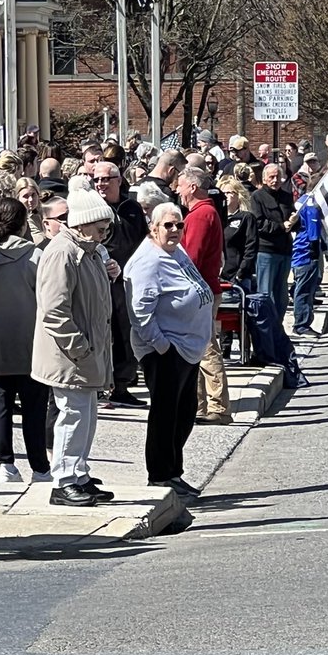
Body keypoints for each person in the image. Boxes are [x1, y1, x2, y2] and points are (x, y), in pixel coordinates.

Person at [33, 177, 116, 507]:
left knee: (86, 414)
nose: (103, 235)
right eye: (100, 228)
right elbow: (54, 310)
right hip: (70, 355)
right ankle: (64, 479)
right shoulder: (64, 253)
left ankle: (78, 472)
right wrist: (80, 347)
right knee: (72, 415)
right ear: (83, 224)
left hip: (86, 351)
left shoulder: (88, 251)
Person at [124, 202, 214, 497]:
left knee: (185, 412)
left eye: (179, 225)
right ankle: (161, 476)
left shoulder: (175, 251)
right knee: (165, 414)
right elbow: (139, 312)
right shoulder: (148, 261)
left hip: (187, 347)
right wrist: (162, 346)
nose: (175, 230)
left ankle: (174, 472)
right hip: (165, 350)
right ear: (153, 227)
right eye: (168, 225)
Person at [0, 198, 50, 483]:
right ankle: (40, 467)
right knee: (35, 409)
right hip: (31, 342)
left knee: (0, 405)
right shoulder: (35, 257)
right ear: (23, 224)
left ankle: (5, 464)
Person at [176, 166, 232, 426]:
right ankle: (199, 405)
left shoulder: (199, 216)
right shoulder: (206, 213)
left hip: (201, 290)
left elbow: (192, 257)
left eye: (180, 185)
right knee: (198, 347)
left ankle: (219, 407)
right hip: (205, 288)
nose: (177, 190)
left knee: (207, 347)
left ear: (192, 187)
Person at [91, 160, 149, 409]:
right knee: (103, 334)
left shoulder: (131, 207)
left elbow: (144, 238)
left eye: (106, 179)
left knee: (126, 332)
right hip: (102, 280)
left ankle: (122, 385)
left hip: (130, 279)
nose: (101, 184)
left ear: (119, 180)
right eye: (97, 180)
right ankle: (99, 386)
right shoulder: (92, 208)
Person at [253, 163, 296, 320]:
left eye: (278, 176)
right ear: (264, 179)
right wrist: (280, 226)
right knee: (265, 293)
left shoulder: (286, 196)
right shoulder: (257, 197)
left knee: (281, 295)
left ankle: (278, 326)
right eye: (271, 177)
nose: (275, 180)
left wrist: (295, 221)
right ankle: (266, 326)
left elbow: (293, 221)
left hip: (285, 250)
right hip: (266, 251)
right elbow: (259, 224)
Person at [290, 172, 323, 335]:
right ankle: (301, 324)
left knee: (302, 288)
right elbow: (313, 234)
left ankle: (303, 321)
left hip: (298, 251)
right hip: (305, 252)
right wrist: (316, 252)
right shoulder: (311, 206)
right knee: (304, 289)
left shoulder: (301, 201)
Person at [220, 175, 259, 292]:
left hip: (237, 277)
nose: (225, 196)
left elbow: (251, 247)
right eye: (223, 193)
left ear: (238, 195)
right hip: (218, 276)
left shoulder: (247, 218)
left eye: (228, 192)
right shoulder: (217, 218)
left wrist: (241, 272)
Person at [16, 176, 46, 245]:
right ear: (17, 197)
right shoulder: (18, 221)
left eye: (33, 195)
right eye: (25, 196)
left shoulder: (45, 214)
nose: (31, 199)